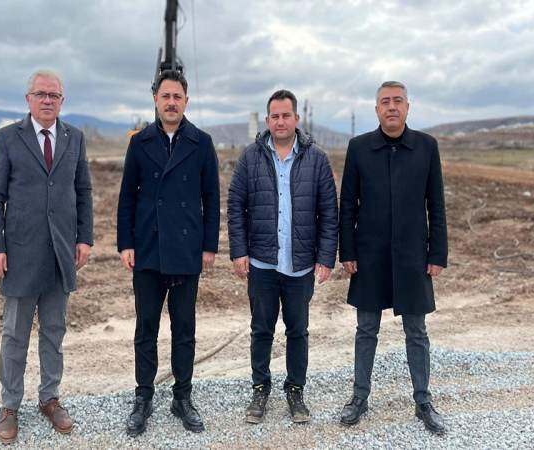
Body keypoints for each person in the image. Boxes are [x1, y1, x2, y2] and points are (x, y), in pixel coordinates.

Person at [0, 69, 93, 444]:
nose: (48, 100)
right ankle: (10, 406)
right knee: (15, 334)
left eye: (54, 95)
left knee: (53, 331)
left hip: (61, 253)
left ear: (62, 101)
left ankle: (50, 398)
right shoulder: (7, 138)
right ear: (28, 99)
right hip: (20, 254)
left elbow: (83, 192)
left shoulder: (74, 138)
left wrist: (84, 239)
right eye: (41, 94)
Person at [338, 81, 448, 434]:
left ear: (407, 107)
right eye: (385, 101)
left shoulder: (426, 147)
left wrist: (437, 252)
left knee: (416, 331)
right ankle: (359, 398)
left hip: (412, 255)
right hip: (369, 255)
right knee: (366, 329)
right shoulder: (359, 148)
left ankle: (423, 401)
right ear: (376, 109)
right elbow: (347, 204)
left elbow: (436, 204)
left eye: (397, 101)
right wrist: (347, 250)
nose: (391, 107)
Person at [117, 69, 220, 436]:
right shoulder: (140, 142)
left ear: (186, 101)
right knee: (146, 328)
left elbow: (211, 198)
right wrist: (126, 243)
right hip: (147, 249)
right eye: (166, 96)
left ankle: (182, 397)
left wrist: (209, 245)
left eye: (177, 96)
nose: (172, 102)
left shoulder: (202, 142)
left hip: (187, 250)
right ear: (156, 100)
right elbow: (127, 197)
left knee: (184, 329)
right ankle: (143, 396)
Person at [227, 89, 338, 424]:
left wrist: (326, 257)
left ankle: (295, 390)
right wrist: (239, 250)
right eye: (274, 116)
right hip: (262, 263)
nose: (280, 121)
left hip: (299, 265)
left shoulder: (316, 159)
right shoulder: (250, 157)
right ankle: (260, 388)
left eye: (286, 115)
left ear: (296, 119)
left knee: (298, 331)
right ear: (267, 120)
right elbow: (236, 206)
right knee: (261, 330)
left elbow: (328, 212)